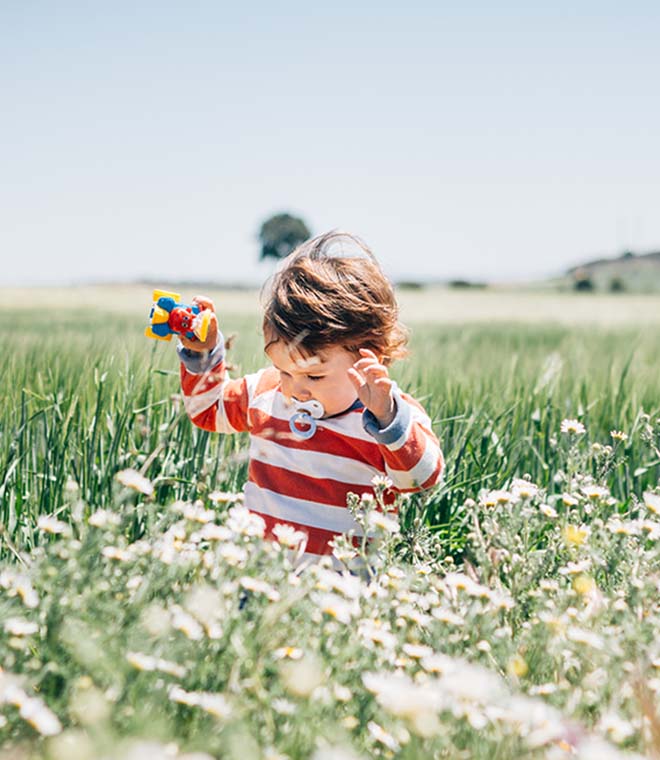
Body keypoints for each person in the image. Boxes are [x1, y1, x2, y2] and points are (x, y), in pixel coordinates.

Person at [177, 231, 444, 562]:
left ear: (367, 357)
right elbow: (209, 410)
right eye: (284, 370)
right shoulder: (266, 392)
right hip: (260, 578)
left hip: (344, 591)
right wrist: (202, 354)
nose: (294, 389)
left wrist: (388, 418)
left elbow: (421, 479)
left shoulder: (390, 417)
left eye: (314, 375)